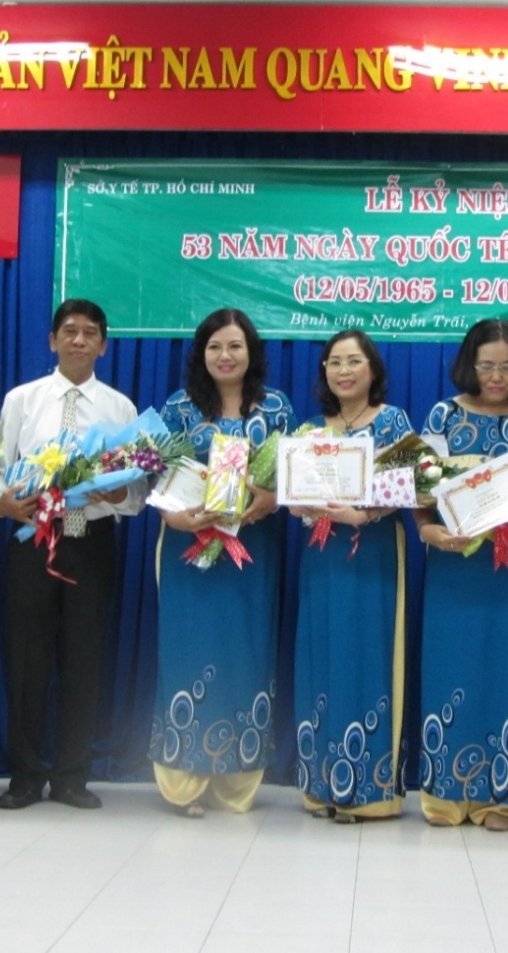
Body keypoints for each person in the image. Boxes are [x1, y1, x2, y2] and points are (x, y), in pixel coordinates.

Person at [0, 299, 145, 810]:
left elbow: (136, 494)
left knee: (84, 660)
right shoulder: (22, 400)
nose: (79, 340)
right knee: (26, 660)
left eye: (89, 333)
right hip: (32, 538)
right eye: (69, 331)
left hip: (91, 542)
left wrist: (118, 493)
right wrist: (0, 502)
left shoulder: (120, 408)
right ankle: (25, 777)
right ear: (52, 340)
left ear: (104, 345)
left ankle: (73, 776)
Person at [413, 318, 508, 831]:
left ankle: (505, 797)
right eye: (486, 366)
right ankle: (445, 795)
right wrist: (427, 530)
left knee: (507, 671)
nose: (497, 377)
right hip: (454, 567)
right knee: (449, 670)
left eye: (506, 366)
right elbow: (420, 493)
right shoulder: (442, 415)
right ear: (469, 365)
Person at [149, 308, 296, 817]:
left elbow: (293, 478)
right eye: (215, 347)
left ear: (251, 352)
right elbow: (157, 478)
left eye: (235, 346)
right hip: (188, 552)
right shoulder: (178, 408)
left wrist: (270, 500)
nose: (225, 356)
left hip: (252, 554)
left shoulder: (276, 408)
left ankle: (236, 784)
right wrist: (175, 518)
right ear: (201, 354)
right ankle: (184, 783)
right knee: (186, 654)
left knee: (245, 656)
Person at [289, 330, 413, 824]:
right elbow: (295, 497)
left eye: (354, 361)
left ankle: (370, 789)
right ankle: (322, 786)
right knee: (322, 654)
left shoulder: (393, 421)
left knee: (368, 656)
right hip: (322, 555)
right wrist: (299, 502)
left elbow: (408, 487)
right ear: (324, 371)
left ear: (372, 369)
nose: (344, 371)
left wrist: (365, 514)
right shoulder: (309, 433)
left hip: (373, 552)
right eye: (335, 362)